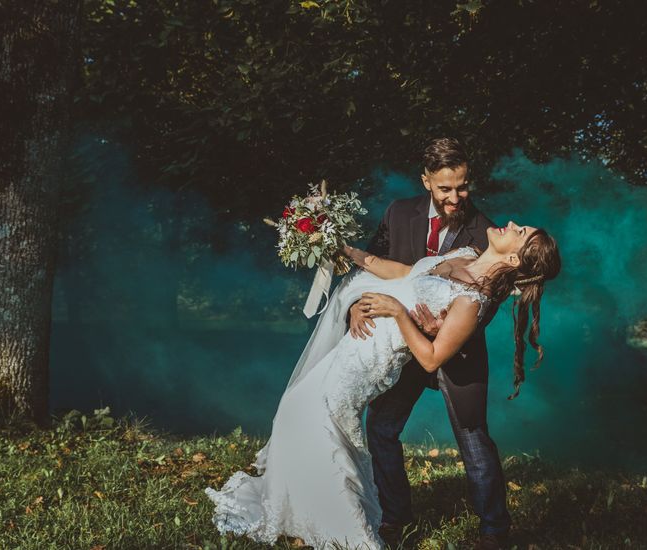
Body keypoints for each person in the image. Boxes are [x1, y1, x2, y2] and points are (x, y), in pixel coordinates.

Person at [204, 215, 561, 549]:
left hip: (370, 363)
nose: (511, 223)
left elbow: (432, 358)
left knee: (312, 417)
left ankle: (346, 531)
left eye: (520, 232)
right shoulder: (465, 253)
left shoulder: (473, 301)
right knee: (297, 409)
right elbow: (405, 272)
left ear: (514, 260)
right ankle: (300, 507)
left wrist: (397, 313)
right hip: (354, 346)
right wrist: (347, 250)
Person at [352, 138, 510, 549]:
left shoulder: (485, 229)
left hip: (457, 348)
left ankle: (494, 530)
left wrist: (448, 328)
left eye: (462, 186)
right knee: (381, 427)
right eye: (445, 189)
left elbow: (488, 301)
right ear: (426, 182)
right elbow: (371, 265)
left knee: (473, 439)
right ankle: (395, 519)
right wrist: (357, 304)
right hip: (401, 346)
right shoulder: (397, 212)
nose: (456, 197)